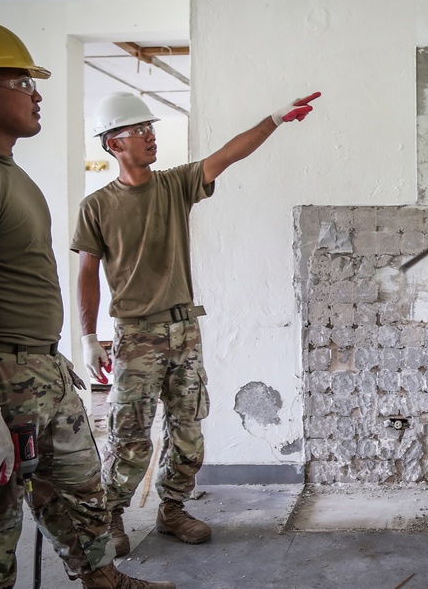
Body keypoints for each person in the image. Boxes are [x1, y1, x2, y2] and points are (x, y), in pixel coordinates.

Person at [0, 18, 174, 588]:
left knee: (80, 495)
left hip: (42, 368)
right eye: (23, 84)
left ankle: (105, 580)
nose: (37, 94)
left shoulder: (9, 173)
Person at [72, 88, 320, 557]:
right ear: (113, 144)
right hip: (134, 335)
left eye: (151, 129)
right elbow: (86, 274)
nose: (149, 137)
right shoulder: (97, 207)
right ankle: (113, 517)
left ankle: (172, 510)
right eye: (138, 131)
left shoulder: (174, 185)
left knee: (188, 428)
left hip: (184, 330)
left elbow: (227, 155)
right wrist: (88, 337)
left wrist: (274, 117)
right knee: (130, 433)